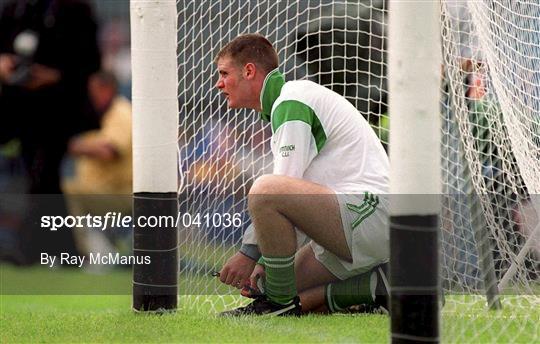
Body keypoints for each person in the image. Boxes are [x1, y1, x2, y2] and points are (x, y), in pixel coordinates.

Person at [214, 34, 390, 316]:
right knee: (269, 284)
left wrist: (249, 253)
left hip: (369, 214)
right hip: (356, 221)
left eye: (224, 73)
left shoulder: (292, 100)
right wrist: (265, 261)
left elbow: (278, 192)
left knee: (265, 190)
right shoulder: (285, 105)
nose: (219, 84)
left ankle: (275, 306)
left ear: (249, 71)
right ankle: (376, 287)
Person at [0, 0, 100, 264]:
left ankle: (34, 251)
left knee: (43, 175)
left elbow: (91, 60)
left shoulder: (75, 9)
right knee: (40, 178)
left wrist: (54, 76)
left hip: (58, 111)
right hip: (19, 108)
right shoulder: (14, 8)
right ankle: (62, 252)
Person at [63, 71, 132, 259]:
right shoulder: (96, 114)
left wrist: (72, 146)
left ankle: (86, 254)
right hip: (99, 191)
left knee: (68, 193)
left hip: (121, 194)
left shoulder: (121, 113)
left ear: (106, 89)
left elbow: (108, 151)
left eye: (91, 89)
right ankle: (98, 246)